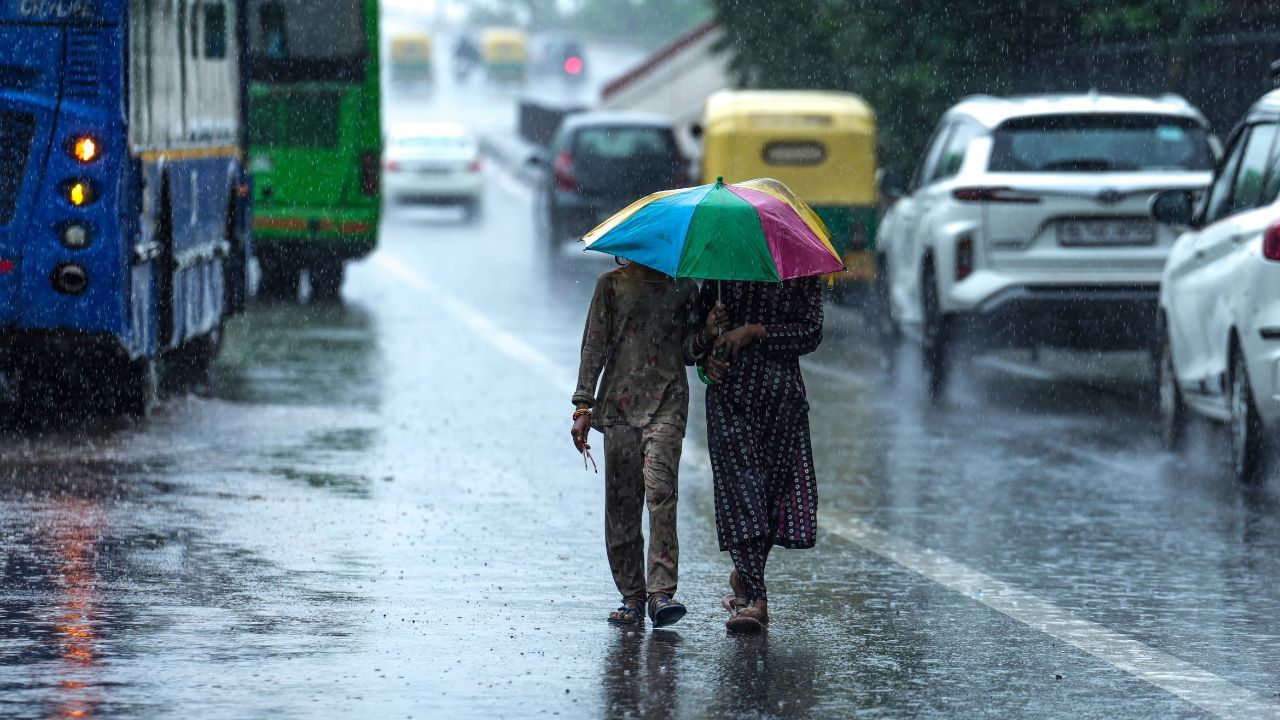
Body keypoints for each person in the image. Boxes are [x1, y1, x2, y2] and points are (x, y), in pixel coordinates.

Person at [572, 261, 727, 627]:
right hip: (619, 409)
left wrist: (706, 332)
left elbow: (689, 351)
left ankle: (661, 594)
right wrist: (583, 404)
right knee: (623, 504)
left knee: (661, 494)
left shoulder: (684, 288)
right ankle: (632, 596)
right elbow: (594, 345)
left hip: (667, 406)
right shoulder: (610, 286)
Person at [693, 277, 823, 633]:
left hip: (782, 400)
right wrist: (709, 346)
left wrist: (755, 331)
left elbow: (810, 333)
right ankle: (756, 599)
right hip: (729, 397)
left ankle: (744, 579)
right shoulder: (723, 267)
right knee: (742, 494)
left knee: (768, 499)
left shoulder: (798, 273)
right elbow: (692, 342)